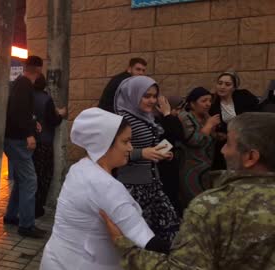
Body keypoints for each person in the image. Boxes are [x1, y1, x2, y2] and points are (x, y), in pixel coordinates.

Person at [101, 112, 275, 270]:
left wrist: (125, 247)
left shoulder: (214, 207)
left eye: (228, 144)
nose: (222, 150)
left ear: (251, 157)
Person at [40, 108, 169, 270]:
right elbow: (145, 239)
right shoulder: (105, 185)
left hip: (57, 259)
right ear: (105, 143)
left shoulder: (79, 168)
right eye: (125, 141)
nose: (130, 148)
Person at [114, 76, 180, 241]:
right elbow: (112, 155)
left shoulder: (147, 117)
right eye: (146, 96)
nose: (152, 100)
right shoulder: (122, 120)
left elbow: (153, 144)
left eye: (154, 95)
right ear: (133, 95)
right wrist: (142, 153)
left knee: (168, 229)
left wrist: (162, 153)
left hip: (153, 184)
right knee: (136, 236)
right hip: (132, 188)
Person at [3, 55, 45, 238]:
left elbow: (22, 112)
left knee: (21, 180)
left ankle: (11, 216)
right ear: (39, 69)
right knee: (30, 180)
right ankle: (26, 225)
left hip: (13, 139)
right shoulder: (25, 85)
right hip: (17, 140)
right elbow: (18, 112)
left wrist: (32, 122)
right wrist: (29, 134)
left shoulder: (20, 84)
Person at [178, 87, 219, 208]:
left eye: (210, 101)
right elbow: (194, 140)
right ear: (192, 103)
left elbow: (211, 139)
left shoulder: (206, 116)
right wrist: (209, 125)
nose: (208, 104)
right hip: (190, 169)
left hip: (205, 169)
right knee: (194, 204)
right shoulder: (185, 117)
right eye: (204, 101)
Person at [32, 74, 66, 218]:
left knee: (31, 176)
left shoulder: (28, 97)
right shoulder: (46, 100)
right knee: (44, 176)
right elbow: (53, 121)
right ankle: (38, 208)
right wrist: (61, 114)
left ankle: (28, 207)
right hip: (44, 142)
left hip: (30, 142)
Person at [209, 71, 259, 170]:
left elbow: (255, 115)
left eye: (227, 84)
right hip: (224, 143)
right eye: (220, 83)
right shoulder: (212, 102)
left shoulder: (244, 96)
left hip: (245, 140)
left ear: (234, 88)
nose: (222, 87)